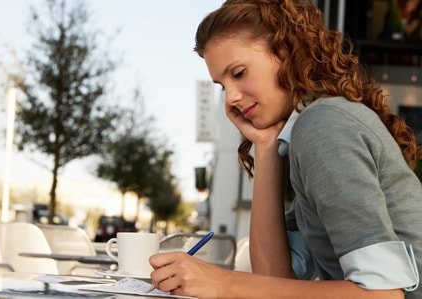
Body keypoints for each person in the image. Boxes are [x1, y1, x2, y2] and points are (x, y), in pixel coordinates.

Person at [149, 0, 422, 298]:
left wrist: (223, 283)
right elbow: (275, 277)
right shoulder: (311, 127)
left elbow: (384, 295)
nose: (231, 99)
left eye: (238, 73)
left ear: (287, 52)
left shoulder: (323, 125)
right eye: (222, 86)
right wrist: (265, 148)